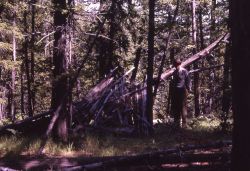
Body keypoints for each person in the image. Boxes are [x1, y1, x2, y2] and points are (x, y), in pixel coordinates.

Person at [171, 58, 191, 128]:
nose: (176, 66)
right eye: (175, 64)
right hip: (175, 92)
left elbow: (188, 81)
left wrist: (188, 90)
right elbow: (173, 83)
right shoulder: (174, 72)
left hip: (182, 91)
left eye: (177, 64)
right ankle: (177, 124)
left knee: (183, 107)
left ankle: (184, 124)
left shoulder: (184, 71)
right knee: (176, 107)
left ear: (180, 64)